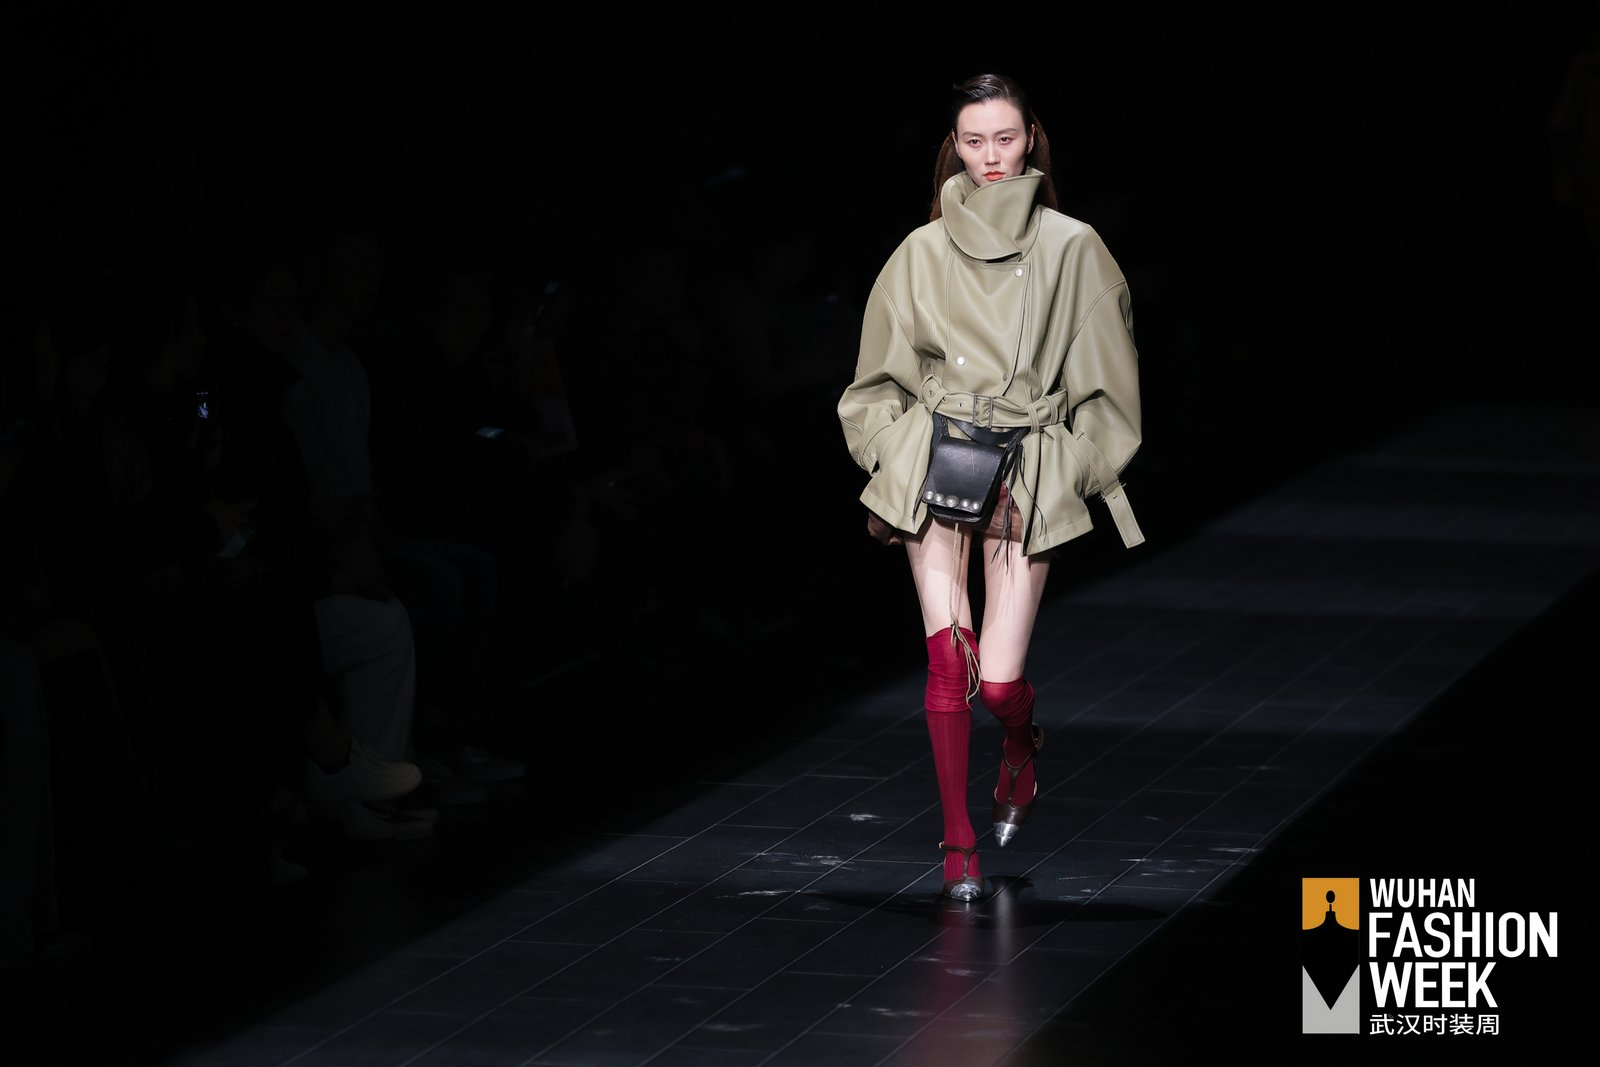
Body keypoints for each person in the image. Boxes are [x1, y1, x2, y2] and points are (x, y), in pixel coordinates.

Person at [837, 73, 1144, 903]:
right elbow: (874, 382)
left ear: (1031, 136)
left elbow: (1111, 394)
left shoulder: (1074, 248)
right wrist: (893, 452)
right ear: (955, 145)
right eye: (974, 141)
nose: (991, 156)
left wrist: (1071, 467)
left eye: (1005, 138)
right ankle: (957, 846)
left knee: (999, 684)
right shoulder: (921, 251)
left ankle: (1020, 743)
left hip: (1028, 462)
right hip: (936, 453)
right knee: (948, 659)